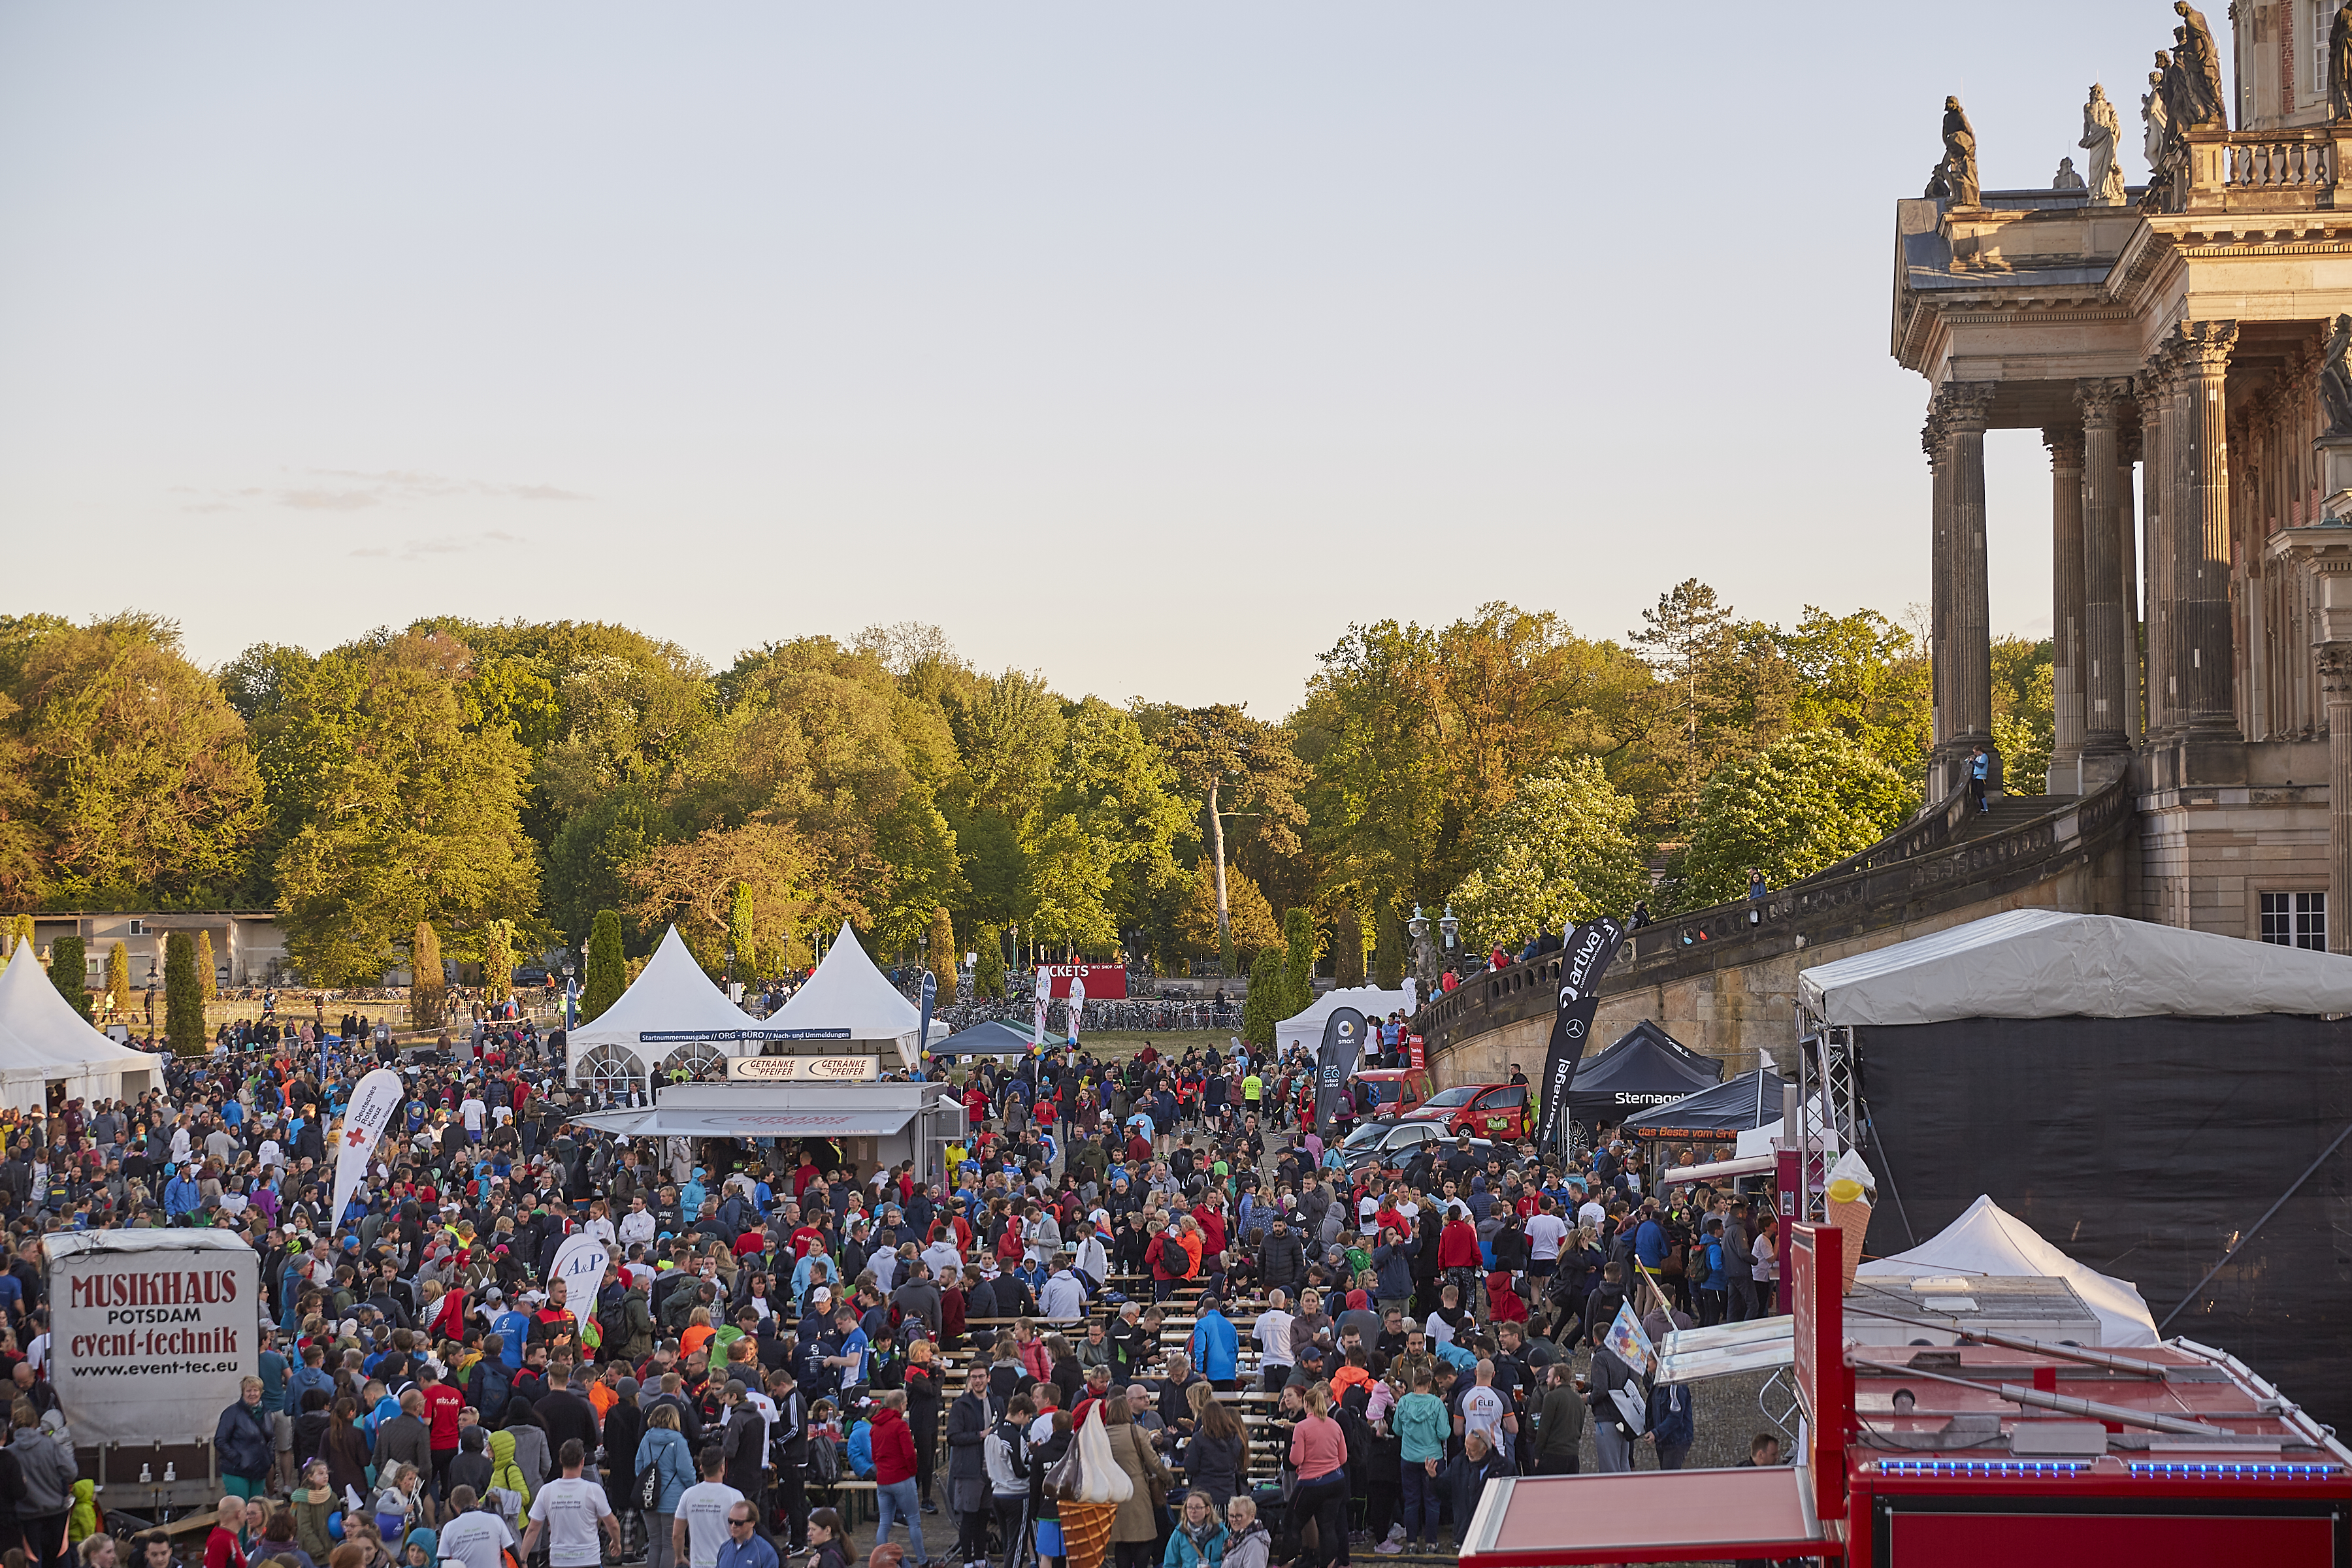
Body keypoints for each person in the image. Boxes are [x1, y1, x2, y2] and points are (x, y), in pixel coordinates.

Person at [521, 1440, 619, 1568]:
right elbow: (612, 1524)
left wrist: (522, 1559)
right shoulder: (593, 1490)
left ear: (561, 1460)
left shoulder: (547, 1490)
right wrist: (616, 1542)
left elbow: (533, 1529)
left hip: (560, 1561)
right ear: (582, 1461)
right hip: (589, 1560)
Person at [1100, 1395, 1173, 1568]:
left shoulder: (1102, 1434)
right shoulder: (1138, 1432)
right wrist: (1168, 1479)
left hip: (1113, 1492)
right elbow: (1154, 1462)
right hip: (1137, 1489)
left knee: (1121, 1540)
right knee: (1144, 1536)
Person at [1286, 1383, 1349, 1568]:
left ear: (1306, 1404)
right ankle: (1330, 1563)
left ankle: (1288, 1562)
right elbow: (1343, 1457)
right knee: (1328, 1527)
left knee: (1293, 1523)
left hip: (1311, 1482)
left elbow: (1296, 1459)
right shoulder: (1335, 1423)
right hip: (1336, 1479)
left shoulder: (1303, 1426)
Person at [1390, 1368, 1448, 1554]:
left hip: (1409, 1457)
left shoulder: (1403, 1402)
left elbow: (1397, 1429)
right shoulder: (1437, 1404)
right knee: (1432, 1501)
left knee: (1411, 1501)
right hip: (1432, 1458)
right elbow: (1444, 1433)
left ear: (1414, 1383)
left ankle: (1412, 1543)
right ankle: (1431, 1543)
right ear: (1430, 1384)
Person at [868, 1390, 927, 1567]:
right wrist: (913, 1473)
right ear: (901, 1405)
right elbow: (910, 1454)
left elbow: (874, 1455)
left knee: (884, 1523)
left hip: (883, 1480)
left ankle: (883, 1561)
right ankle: (923, 1560)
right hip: (901, 1478)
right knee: (914, 1522)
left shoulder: (875, 1427)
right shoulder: (900, 1426)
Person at [636, 1405, 696, 1568]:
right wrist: (693, 1487)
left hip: (648, 1496)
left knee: (654, 1543)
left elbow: (639, 1466)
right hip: (673, 1497)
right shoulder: (678, 1441)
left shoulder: (646, 1438)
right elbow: (685, 1470)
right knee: (670, 1544)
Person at [674, 1446, 743, 1568]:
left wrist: (679, 1556)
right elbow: (744, 1534)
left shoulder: (688, 1495)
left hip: (698, 1565)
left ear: (701, 1468)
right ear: (722, 1468)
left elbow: (677, 1534)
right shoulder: (735, 1496)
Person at [216, 1375, 276, 1501]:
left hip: (259, 1470)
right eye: (248, 1391)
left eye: (256, 1390)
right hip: (237, 1471)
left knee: (256, 1508)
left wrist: (269, 1458)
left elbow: (271, 1438)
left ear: (261, 1392)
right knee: (240, 1507)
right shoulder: (232, 1412)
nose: (252, 1394)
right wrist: (238, 1459)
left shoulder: (266, 1411)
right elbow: (220, 1441)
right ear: (243, 1393)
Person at [435, 1488, 516, 1568]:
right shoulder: (495, 1519)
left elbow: (442, 1562)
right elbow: (512, 1551)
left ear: (455, 1507)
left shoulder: (449, 1528)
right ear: (477, 1501)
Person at [1162, 1492, 1227, 1568]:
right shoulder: (1180, 1531)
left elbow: (1230, 1561)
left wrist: (1212, 1566)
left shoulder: (1220, 1531)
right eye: (1189, 1507)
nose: (1193, 1511)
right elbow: (1169, 1564)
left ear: (1207, 1510)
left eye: (1198, 1507)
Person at [713, 1500, 776, 1568]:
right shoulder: (724, 1548)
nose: (733, 1526)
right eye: (730, 1521)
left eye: (739, 1523)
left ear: (752, 1523)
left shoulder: (766, 1552)